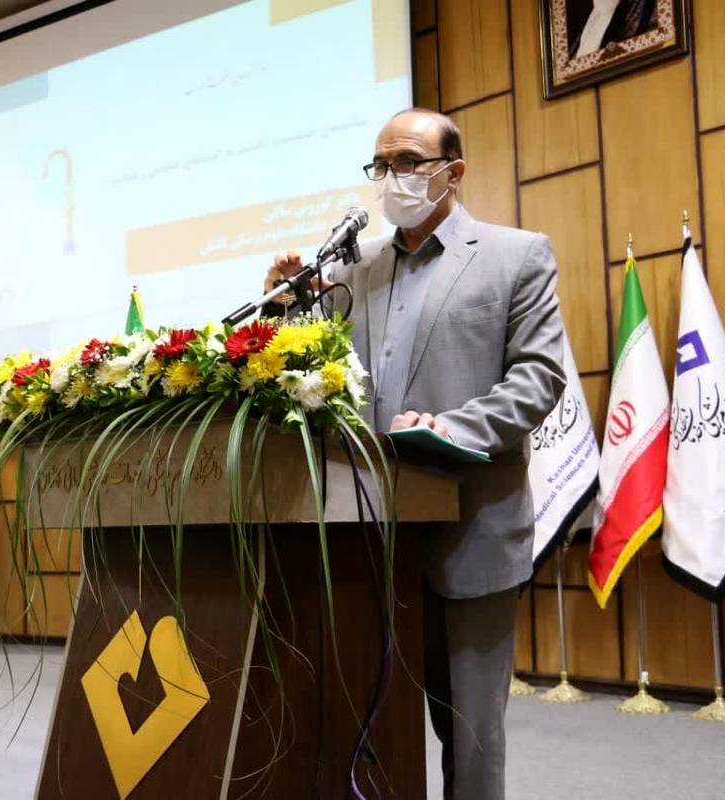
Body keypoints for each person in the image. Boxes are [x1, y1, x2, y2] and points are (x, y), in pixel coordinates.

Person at [264, 108, 565, 800]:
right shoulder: (356, 268)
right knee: (370, 724)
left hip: (470, 526)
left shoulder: (516, 255)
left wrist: (450, 429)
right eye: (381, 164)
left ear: (452, 173)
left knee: (471, 734)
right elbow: (317, 374)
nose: (390, 177)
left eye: (406, 162)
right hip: (367, 535)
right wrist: (286, 306)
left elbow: (538, 379)